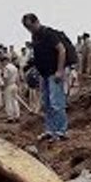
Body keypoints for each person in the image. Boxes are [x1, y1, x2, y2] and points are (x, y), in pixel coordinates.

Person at [21, 13, 67, 141]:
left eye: (30, 26)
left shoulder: (48, 33)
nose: (29, 30)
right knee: (46, 104)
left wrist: (59, 70)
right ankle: (49, 130)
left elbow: (62, 50)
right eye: (27, 28)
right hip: (43, 74)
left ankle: (61, 131)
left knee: (56, 103)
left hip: (54, 73)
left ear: (36, 22)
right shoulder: (35, 37)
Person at [2, 54, 20, 123]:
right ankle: (17, 115)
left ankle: (10, 117)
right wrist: (18, 85)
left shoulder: (6, 68)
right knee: (15, 101)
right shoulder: (14, 67)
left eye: (3, 61)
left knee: (8, 101)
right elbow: (17, 78)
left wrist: (4, 86)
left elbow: (5, 78)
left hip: (8, 85)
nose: (2, 63)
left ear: (5, 61)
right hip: (14, 84)